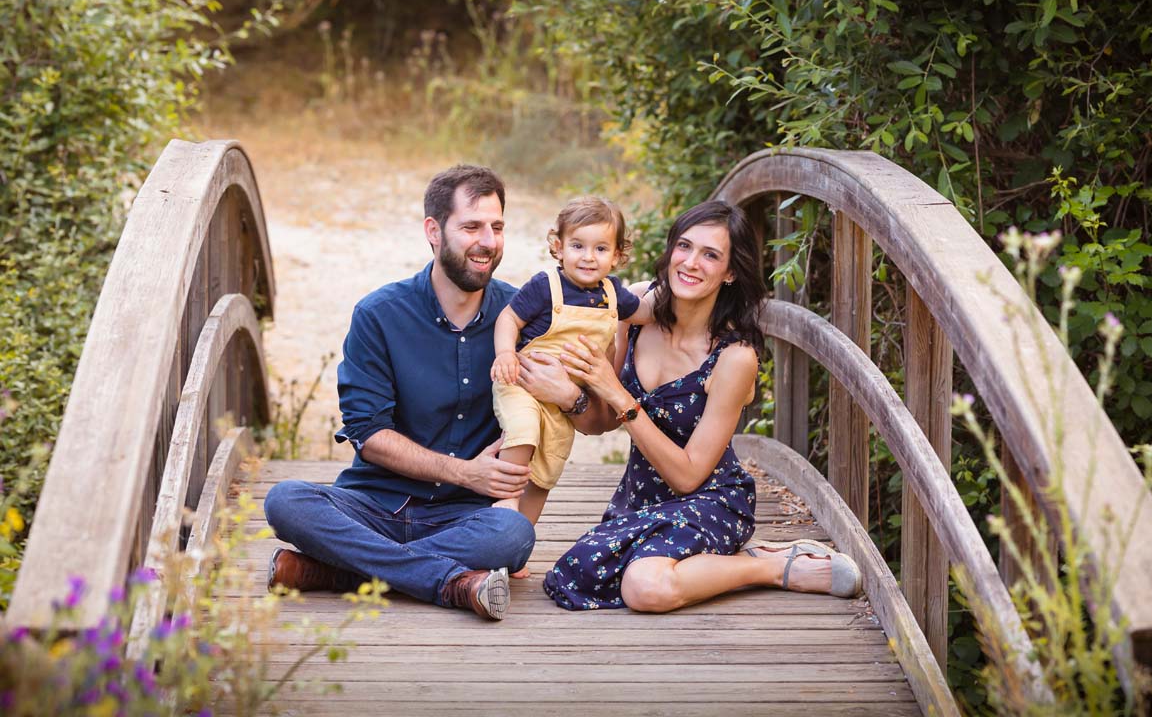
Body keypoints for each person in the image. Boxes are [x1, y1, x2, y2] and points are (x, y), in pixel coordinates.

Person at [539, 200, 862, 611]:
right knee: (577, 573)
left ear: (730, 272)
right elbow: (599, 423)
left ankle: (765, 565)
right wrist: (570, 396)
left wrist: (617, 393)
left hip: (709, 498)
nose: (691, 263)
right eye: (685, 246)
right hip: (640, 498)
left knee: (645, 588)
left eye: (710, 255)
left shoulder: (734, 358)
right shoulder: (631, 310)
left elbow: (688, 477)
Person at [262, 164, 536, 621]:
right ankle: (448, 582)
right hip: (372, 505)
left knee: (512, 534)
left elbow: (586, 418)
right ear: (433, 230)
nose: (488, 241)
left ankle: (339, 572)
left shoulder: (522, 315)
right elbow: (368, 435)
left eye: (497, 227)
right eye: (471, 226)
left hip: (465, 518)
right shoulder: (379, 314)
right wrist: (467, 473)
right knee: (285, 500)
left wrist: (578, 391)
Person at [490, 196, 655, 524]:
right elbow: (509, 319)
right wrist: (506, 353)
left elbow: (647, 313)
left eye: (600, 249)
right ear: (559, 247)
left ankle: (518, 541)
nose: (588, 258)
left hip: (560, 407)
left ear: (617, 255)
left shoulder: (614, 295)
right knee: (522, 431)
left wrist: (673, 290)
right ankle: (506, 502)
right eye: (578, 246)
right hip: (522, 383)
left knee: (546, 471)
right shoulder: (545, 286)